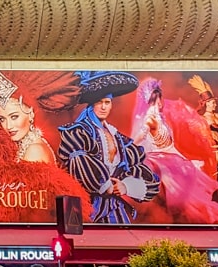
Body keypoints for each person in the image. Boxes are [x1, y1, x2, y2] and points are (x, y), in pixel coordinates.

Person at [56, 71, 160, 223]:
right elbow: (78, 163)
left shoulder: (119, 138)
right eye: (99, 102)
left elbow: (145, 175)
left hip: (116, 209)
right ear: (91, 105)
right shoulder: (78, 132)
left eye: (107, 102)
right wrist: (105, 186)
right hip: (86, 207)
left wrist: (125, 186)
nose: (103, 107)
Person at [131, 79, 218, 222]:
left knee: (190, 172)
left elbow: (169, 145)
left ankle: (177, 215)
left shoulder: (161, 118)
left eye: (160, 99)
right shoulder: (150, 119)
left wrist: (187, 160)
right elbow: (139, 137)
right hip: (158, 158)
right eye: (157, 100)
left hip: (170, 156)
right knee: (176, 179)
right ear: (153, 101)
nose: (161, 103)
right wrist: (128, 149)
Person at [0, 70, 54, 163]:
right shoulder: (26, 146)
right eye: (2, 119)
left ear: (31, 114)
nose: (8, 126)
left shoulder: (34, 150)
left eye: (14, 117)